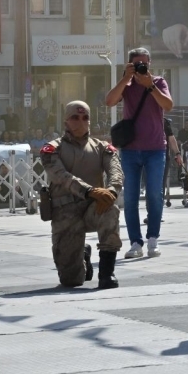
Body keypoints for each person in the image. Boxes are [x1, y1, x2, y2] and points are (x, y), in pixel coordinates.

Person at [39, 101, 122, 289]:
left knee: (110, 209)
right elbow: (61, 176)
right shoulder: (52, 149)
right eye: (75, 118)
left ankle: (106, 273)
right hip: (65, 213)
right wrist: (89, 191)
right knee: (71, 280)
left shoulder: (102, 147)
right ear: (66, 121)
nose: (81, 122)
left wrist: (111, 191)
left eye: (85, 118)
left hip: (94, 207)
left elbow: (116, 171)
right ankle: (82, 255)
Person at [104, 47, 173, 259]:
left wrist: (150, 86)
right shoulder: (128, 84)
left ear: (150, 63)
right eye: (137, 64)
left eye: (145, 63)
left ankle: (153, 238)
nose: (142, 67)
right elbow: (109, 101)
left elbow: (168, 105)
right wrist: (125, 78)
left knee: (154, 195)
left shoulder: (158, 82)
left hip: (155, 148)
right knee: (131, 198)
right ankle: (135, 242)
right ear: (130, 65)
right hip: (131, 150)